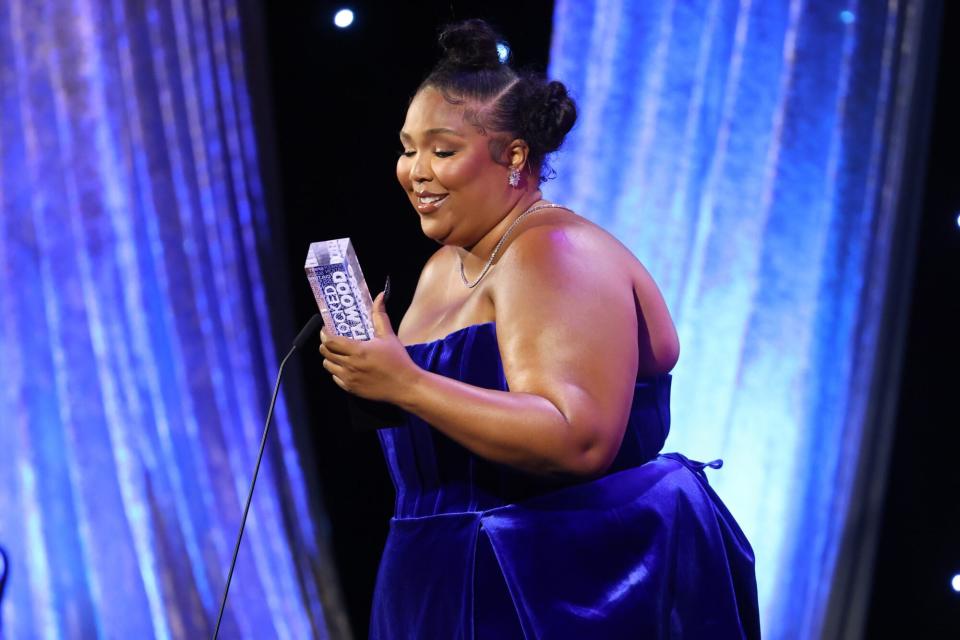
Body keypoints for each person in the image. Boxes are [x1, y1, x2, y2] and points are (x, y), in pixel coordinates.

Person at [319, 19, 760, 639]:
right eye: (407, 147)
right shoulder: (445, 266)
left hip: (540, 589)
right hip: (432, 578)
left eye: (442, 151)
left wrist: (406, 384)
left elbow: (577, 439)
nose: (415, 170)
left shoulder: (552, 251)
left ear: (515, 156)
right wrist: (369, 371)